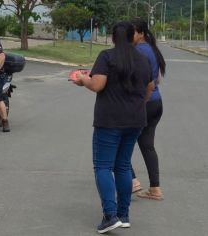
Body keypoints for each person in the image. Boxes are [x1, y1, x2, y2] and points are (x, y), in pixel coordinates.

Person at [72, 21, 154, 233]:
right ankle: (123, 215)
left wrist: (82, 79)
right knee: (123, 166)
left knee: (103, 167)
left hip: (109, 120)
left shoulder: (107, 56)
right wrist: (136, 103)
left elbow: (97, 84)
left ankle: (110, 216)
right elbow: (150, 88)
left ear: (113, 37)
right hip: (136, 119)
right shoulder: (143, 59)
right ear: (132, 36)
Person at [130, 19, 166, 200]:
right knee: (147, 146)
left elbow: (141, 81)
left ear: (141, 33)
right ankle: (155, 189)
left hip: (143, 102)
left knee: (119, 142)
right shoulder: (151, 49)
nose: (130, 36)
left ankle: (132, 180)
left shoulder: (138, 51)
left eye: (133, 32)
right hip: (156, 103)